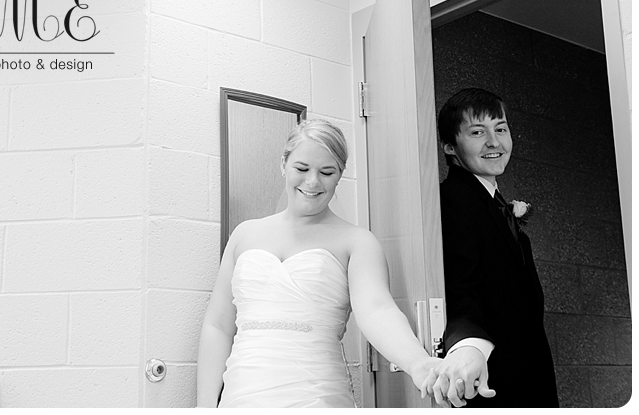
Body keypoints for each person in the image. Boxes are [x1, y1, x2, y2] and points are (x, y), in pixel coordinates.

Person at [196, 119, 450, 408]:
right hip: (241, 396)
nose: (313, 182)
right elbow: (218, 325)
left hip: (317, 397)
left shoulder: (357, 242)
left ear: (340, 174)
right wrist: (205, 406)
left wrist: (417, 362)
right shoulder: (244, 234)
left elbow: (377, 310)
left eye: (327, 172)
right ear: (283, 164)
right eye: (302, 169)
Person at [433, 88, 559, 407]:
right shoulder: (453, 200)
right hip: (494, 383)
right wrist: (469, 344)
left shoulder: (493, 202)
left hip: (528, 376)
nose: (494, 142)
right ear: (450, 146)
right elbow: (460, 286)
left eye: (500, 129)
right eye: (478, 132)